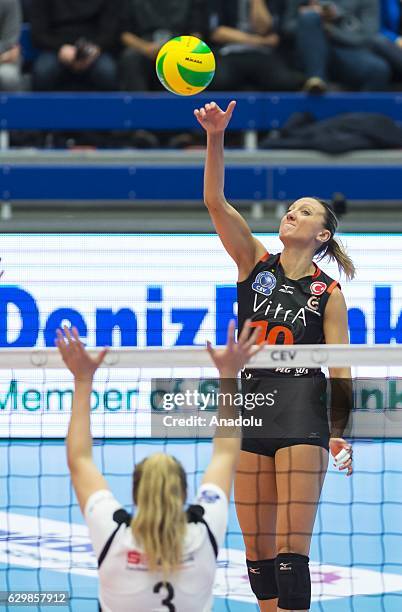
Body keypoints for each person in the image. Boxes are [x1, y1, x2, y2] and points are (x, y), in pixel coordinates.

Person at [194, 99, 354, 612]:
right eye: (293, 206)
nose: (293, 211)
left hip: (302, 414)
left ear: (322, 234)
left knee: (290, 553)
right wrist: (216, 137)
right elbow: (216, 202)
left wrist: (337, 431)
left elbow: (342, 369)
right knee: (257, 555)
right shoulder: (254, 263)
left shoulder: (328, 294)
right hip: (250, 413)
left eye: (306, 211)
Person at [56, 321, 262, 612]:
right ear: (183, 493)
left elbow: (79, 460)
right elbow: (226, 453)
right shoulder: (204, 530)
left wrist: (82, 379)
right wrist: (229, 374)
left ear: (136, 493)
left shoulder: (112, 534)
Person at [283, 0, 391, 92]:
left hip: (348, 49)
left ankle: (363, 115)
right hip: (310, 48)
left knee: (378, 69)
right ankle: (316, 81)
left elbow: (368, 36)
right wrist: (307, 19)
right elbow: (287, 28)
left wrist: (334, 24)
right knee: (310, 17)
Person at [208, 0, 305, 91]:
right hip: (228, 52)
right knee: (219, 80)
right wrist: (259, 40)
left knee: (285, 82)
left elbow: (264, 29)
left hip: (262, 53)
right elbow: (217, 33)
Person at [31, 0, 121, 91]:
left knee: (107, 71)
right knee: (43, 71)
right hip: (55, 50)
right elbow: (38, 33)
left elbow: (110, 31)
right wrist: (60, 48)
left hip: (95, 50)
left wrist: (94, 49)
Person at [120, 0, 208, 91]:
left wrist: (183, 49)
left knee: (195, 59)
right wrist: (145, 48)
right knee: (130, 57)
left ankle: (182, 102)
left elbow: (196, 32)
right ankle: (138, 103)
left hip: (181, 47)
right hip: (143, 46)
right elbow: (124, 34)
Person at [0, 0, 23, 91]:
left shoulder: (9, 2)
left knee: (8, 76)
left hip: (4, 62)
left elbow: (9, 42)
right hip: (3, 57)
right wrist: (3, 57)